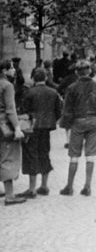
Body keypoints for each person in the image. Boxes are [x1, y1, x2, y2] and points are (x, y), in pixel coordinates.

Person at [59, 59, 96, 197]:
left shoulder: (72, 87)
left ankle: (69, 187)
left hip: (78, 121)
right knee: (90, 155)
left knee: (74, 155)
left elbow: (67, 109)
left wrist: (65, 125)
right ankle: (87, 186)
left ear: (77, 72)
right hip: (94, 121)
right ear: (89, 71)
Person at [17, 68, 62, 198]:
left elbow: (23, 110)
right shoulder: (53, 92)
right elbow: (58, 111)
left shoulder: (29, 93)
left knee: (31, 154)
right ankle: (44, 185)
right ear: (46, 78)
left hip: (32, 127)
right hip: (46, 127)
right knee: (44, 153)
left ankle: (31, 189)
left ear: (33, 79)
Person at [0, 60, 26, 205]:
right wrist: (17, 128)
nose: (14, 71)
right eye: (11, 68)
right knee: (8, 157)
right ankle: (9, 195)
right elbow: (10, 109)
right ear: (4, 71)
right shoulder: (7, 86)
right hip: (4, 126)